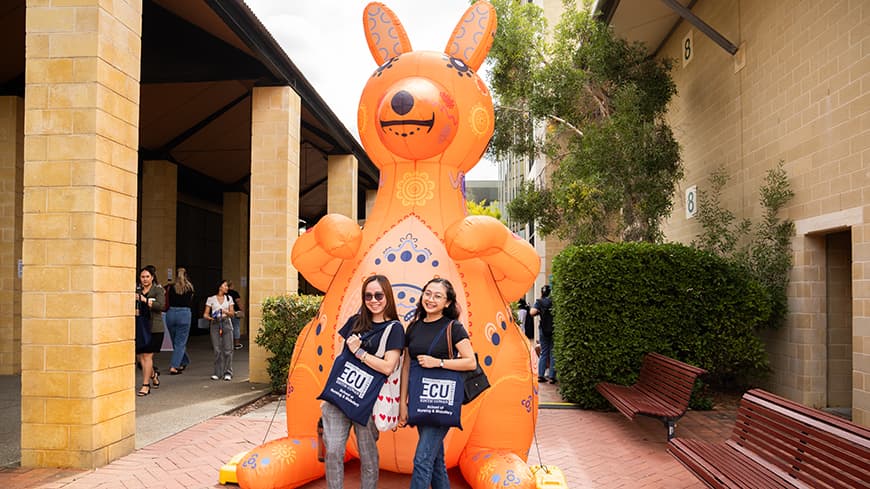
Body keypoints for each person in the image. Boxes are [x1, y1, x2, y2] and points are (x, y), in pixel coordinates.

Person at [321, 275, 404, 489]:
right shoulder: (355, 322)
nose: (373, 300)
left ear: (387, 297)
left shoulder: (394, 329)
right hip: (340, 396)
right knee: (333, 451)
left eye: (378, 295)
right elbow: (342, 359)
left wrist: (359, 351)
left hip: (367, 402)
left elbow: (388, 366)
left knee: (367, 454)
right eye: (368, 296)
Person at [399, 277, 478, 489]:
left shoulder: (454, 328)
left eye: (438, 296)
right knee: (435, 461)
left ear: (448, 303)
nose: (431, 299)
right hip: (419, 399)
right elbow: (406, 366)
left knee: (422, 460)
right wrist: (402, 403)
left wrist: (439, 363)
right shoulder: (413, 327)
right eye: (428, 293)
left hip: (442, 401)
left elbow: (471, 362)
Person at [136, 266, 165, 396]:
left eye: (147, 276)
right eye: (142, 277)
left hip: (154, 328)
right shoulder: (137, 290)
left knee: (147, 356)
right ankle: (153, 374)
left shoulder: (158, 290)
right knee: (140, 357)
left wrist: (145, 300)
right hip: (140, 327)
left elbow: (161, 306)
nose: (145, 279)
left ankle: (145, 385)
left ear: (152, 277)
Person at [203, 279, 235, 381]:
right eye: (225, 286)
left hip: (226, 322)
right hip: (215, 323)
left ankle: (228, 372)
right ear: (220, 287)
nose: (227, 288)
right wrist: (210, 317)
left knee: (228, 349)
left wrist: (224, 311)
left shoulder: (229, 298)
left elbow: (232, 313)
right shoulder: (211, 299)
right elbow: (205, 314)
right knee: (217, 349)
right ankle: (217, 372)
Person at [165, 267, 195, 375]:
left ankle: (184, 360)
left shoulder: (170, 287)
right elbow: (191, 301)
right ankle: (174, 366)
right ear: (186, 275)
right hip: (184, 313)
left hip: (171, 313)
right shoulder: (190, 288)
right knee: (180, 342)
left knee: (175, 341)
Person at [530, 284, 556, 384]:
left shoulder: (539, 302)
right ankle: (552, 376)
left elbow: (532, 312)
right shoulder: (554, 302)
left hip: (543, 330)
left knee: (544, 352)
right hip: (553, 329)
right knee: (553, 352)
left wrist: (539, 311)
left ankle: (541, 375)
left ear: (542, 293)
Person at [226, 280, 244, 350]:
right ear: (231, 285)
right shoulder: (235, 293)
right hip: (235, 312)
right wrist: (242, 310)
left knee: (226, 328)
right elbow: (238, 302)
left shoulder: (223, 293)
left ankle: (226, 344)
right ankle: (236, 344)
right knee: (236, 327)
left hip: (226, 313)